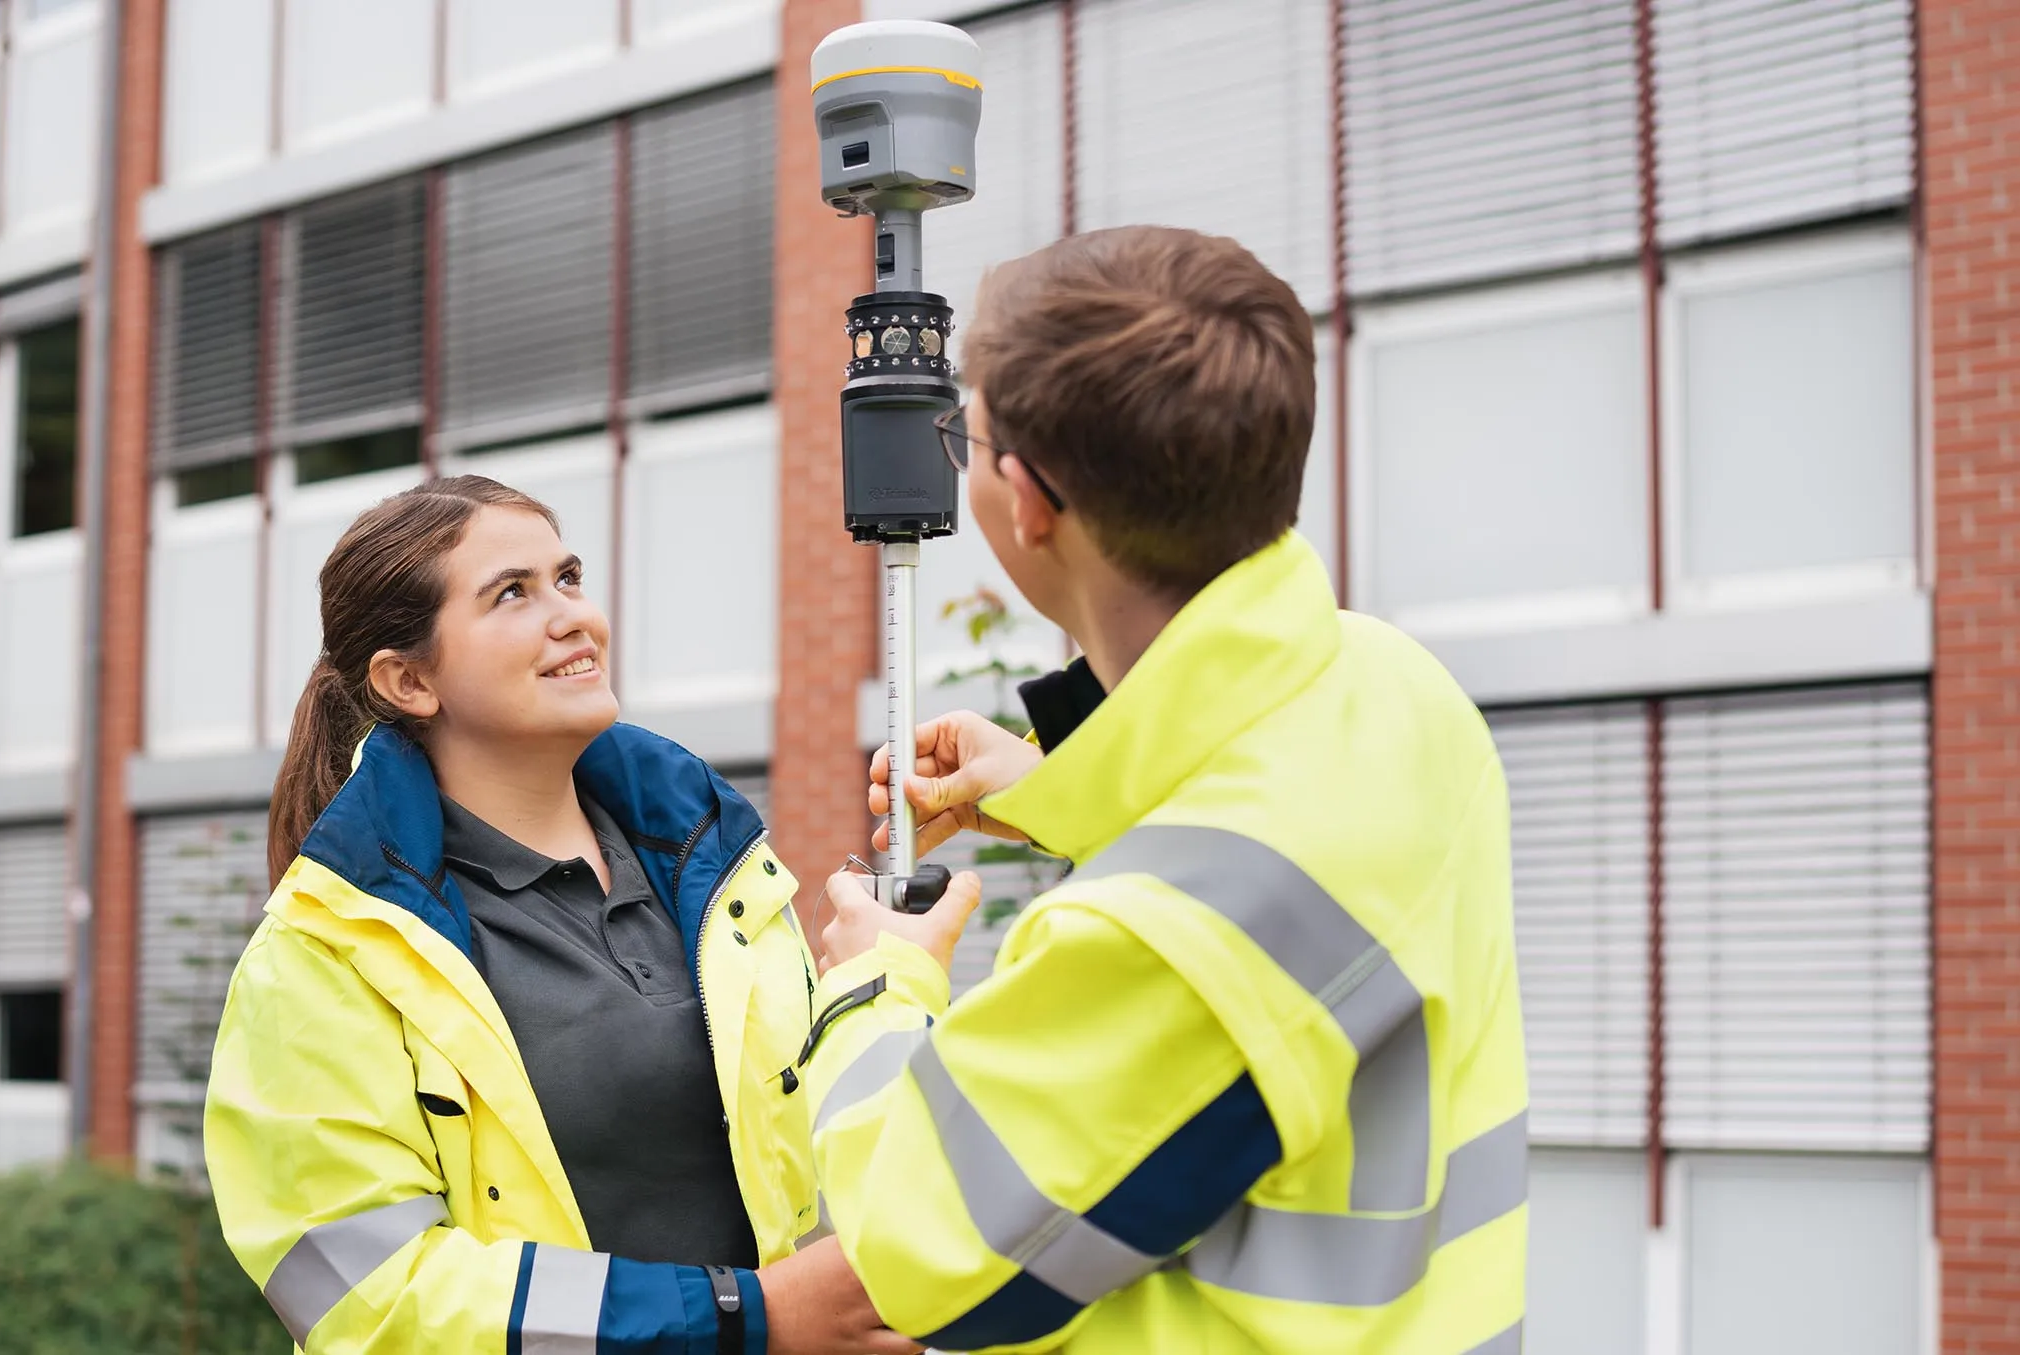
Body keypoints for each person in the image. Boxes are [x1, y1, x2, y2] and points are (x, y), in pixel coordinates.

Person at [797, 226, 1529, 1352]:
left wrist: (876, 985)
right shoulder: (1395, 680)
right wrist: (1062, 784)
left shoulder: (1160, 934)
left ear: (1027, 501)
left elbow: (918, 1242)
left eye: (965, 432)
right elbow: (1259, 801)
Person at [202, 476, 921, 1355]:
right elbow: (378, 1301)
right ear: (410, 679)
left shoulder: (722, 874)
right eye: (513, 592)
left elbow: (834, 1171)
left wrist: (884, 987)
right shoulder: (323, 954)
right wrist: (744, 1317)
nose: (573, 614)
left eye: (568, 576)